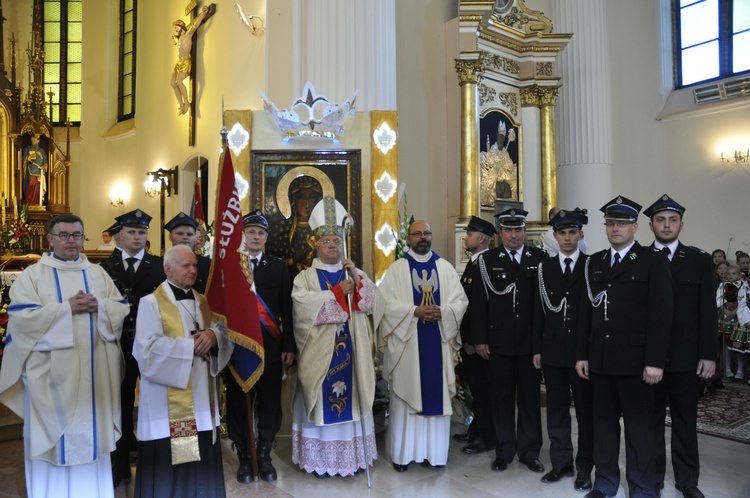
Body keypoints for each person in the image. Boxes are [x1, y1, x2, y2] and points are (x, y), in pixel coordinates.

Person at [0, 213, 129, 498]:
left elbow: (120, 308)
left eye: (77, 235)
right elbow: (21, 322)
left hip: (93, 383)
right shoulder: (33, 276)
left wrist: (101, 306)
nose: (71, 241)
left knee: (92, 445)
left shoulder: (97, 273)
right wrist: (64, 309)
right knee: (53, 446)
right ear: (50, 239)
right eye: (64, 235)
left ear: (84, 239)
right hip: (50, 382)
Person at [575, 195, 673, 498]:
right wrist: (582, 354)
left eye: (621, 223)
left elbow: (661, 314)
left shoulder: (652, 261)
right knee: (603, 427)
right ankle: (605, 483)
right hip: (601, 361)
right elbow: (584, 313)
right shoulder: (595, 262)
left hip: (637, 363)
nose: (615, 228)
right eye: (610, 223)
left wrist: (655, 361)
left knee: (640, 430)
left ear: (635, 226)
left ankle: (643, 487)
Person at [132, 244, 232, 498]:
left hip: (201, 394)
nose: (192, 270)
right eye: (186, 266)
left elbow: (223, 332)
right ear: (168, 269)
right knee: (170, 455)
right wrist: (189, 347)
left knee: (201, 447)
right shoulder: (150, 303)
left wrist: (213, 336)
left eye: (194, 265)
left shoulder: (204, 302)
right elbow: (146, 350)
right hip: (167, 399)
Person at [290, 196, 378, 477]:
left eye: (337, 241)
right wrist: (339, 292)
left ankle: (350, 460)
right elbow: (303, 309)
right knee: (323, 402)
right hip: (321, 356)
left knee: (351, 402)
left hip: (353, 353)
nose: (333, 246)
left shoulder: (354, 272)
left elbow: (371, 305)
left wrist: (359, 282)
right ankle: (321, 461)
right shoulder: (304, 277)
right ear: (316, 244)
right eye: (327, 241)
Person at [377, 220, 468, 471]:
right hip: (407, 346)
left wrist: (444, 312)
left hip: (437, 340)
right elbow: (383, 304)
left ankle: (434, 455)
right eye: (417, 234)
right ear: (409, 239)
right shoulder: (396, 270)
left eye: (427, 233)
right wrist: (413, 311)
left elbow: (460, 301)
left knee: (434, 395)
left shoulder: (445, 268)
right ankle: (403, 455)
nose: (423, 237)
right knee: (407, 396)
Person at [644, 194, 716, 498]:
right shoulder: (641, 259)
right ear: (651, 225)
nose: (666, 225)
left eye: (672, 220)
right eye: (660, 220)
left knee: (685, 421)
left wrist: (708, 354)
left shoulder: (699, 260)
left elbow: (707, 313)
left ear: (681, 225)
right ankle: (652, 479)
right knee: (650, 422)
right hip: (649, 358)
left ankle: (687, 481)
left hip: (686, 358)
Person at [472, 208, 546, 474]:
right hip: (498, 344)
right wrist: (480, 338)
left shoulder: (540, 259)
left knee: (529, 400)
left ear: (525, 231)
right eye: (508, 230)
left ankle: (529, 452)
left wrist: (541, 344)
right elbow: (479, 304)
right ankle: (504, 452)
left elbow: (543, 306)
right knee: (501, 400)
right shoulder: (487, 261)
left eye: (518, 230)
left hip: (529, 345)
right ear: (500, 233)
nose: (513, 235)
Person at [225, 210, 296, 482]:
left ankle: (264, 454)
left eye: (261, 233)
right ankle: (245, 455)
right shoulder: (231, 265)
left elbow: (287, 309)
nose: (256, 236)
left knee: (269, 402)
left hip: (271, 347)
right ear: (243, 235)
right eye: (251, 232)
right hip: (237, 347)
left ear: (266, 237)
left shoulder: (278, 266)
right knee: (237, 402)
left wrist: (289, 345)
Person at [100, 209, 166, 487]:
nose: (137, 237)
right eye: (132, 232)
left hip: (151, 342)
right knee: (122, 399)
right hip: (120, 342)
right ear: (120, 235)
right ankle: (121, 458)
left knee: (154, 397)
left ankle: (155, 459)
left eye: (142, 233)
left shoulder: (160, 265)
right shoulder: (104, 267)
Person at [532, 208, 594, 492]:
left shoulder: (592, 265)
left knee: (585, 413)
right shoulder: (544, 268)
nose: (567, 238)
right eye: (562, 233)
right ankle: (561, 463)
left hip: (582, 354)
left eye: (572, 232)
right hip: (554, 352)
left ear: (580, 234)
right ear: (554, 236)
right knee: (556, 411)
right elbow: (538, 313)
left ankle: (585, 469)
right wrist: (537, 349)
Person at [452, 216, 496, 455]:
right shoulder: (474, 262)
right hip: (469, 340)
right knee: (476, 390)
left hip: (478, 343)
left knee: (484, 391)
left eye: (469, 235)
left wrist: (473, 340)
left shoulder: (486, 263)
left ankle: (486, 436)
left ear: (481, 239)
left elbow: (482, 308)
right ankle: (477, 427)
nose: (466, 238)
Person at [267, 175, 323, 280]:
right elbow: (271, 265)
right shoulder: (282, 230)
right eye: (301, 197)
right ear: (293, 200)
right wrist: (293, 260)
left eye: (311, 197)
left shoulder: (325, 230)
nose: (307, 204)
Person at [170, 6, 210, 115]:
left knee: (179, 81)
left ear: (181, 26)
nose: (175, 29)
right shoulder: (179, 38)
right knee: (172, 82)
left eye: (176, 27)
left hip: (186, 62)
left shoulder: (188, 35)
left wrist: (203, 14)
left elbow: (195, 25)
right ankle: (181, 104)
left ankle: (186, 103)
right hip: (178, 63)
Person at [165, 212, 210, 293]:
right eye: (180, 234)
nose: (185, 237)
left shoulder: (207, 265)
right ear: (170, 237)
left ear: (196, 238)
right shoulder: (159, 264)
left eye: (189, 234)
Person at [717, 264, 745, 379]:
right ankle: (727, 368)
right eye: (728, 273)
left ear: (739, 275)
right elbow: (719, 298)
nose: (730, 276)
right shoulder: (722, 285)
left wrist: (734, 312)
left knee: (737, 344)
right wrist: (725, 310)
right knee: (726, 343)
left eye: (733, 273)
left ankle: (740, 369)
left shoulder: (743, 285)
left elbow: (743, 300)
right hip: (725, 313)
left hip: (738, 314)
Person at [21, 134, 47, 206]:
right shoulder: (28, 149)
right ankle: (29, 202)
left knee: (38, 186)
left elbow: (45, 160)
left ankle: (37, 203)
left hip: (39, 170)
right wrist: (28, 158)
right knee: (31, 184)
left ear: (38, 141)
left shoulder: (41, 150)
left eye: (35, 139)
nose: (33, 141)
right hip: (31, 170)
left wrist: (45, 165)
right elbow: (24, 159)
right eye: (32, 139)